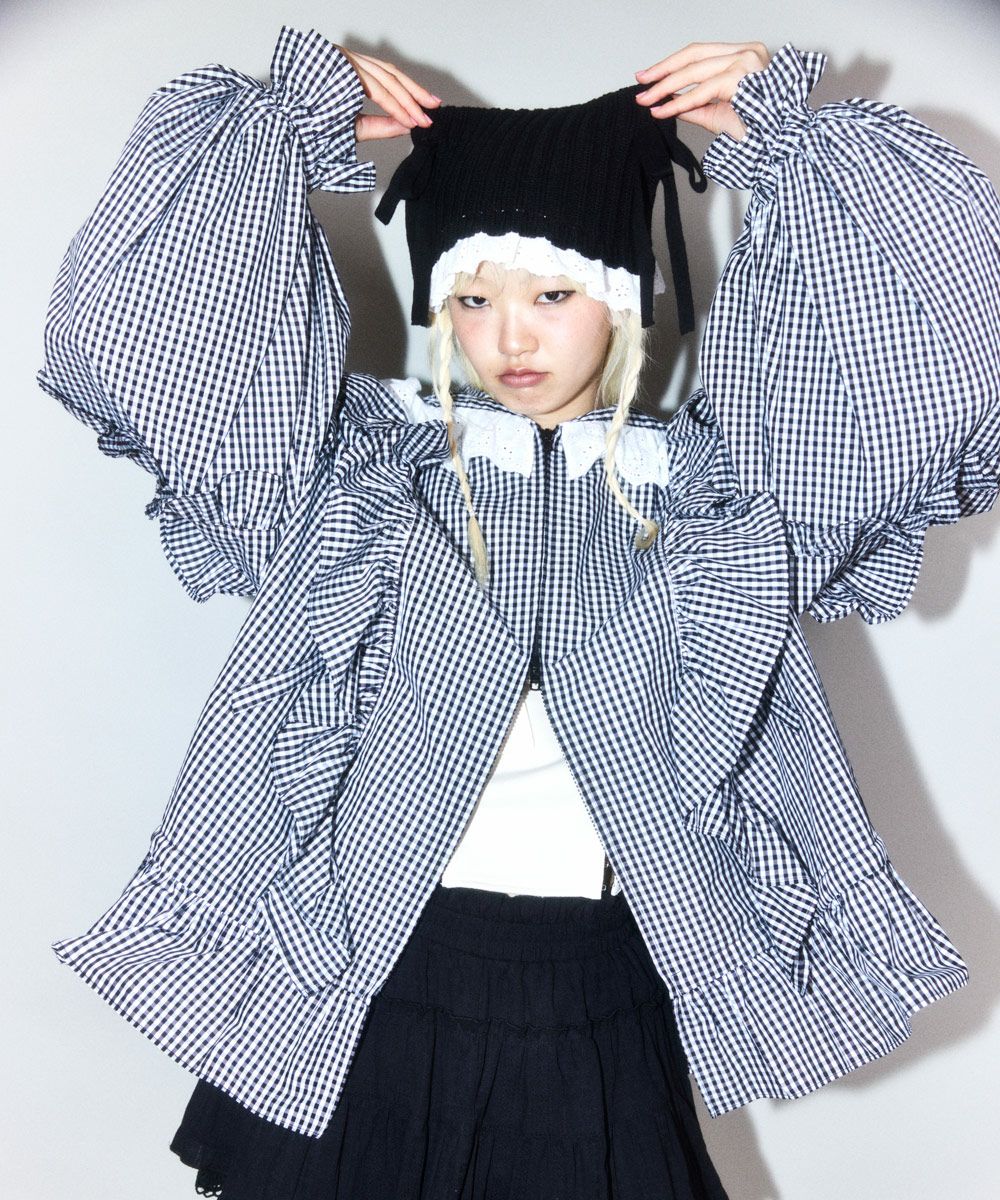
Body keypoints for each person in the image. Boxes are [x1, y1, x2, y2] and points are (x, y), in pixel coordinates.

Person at [36, 25, 998, 1200]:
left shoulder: (713, 500)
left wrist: (805, 151)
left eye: (553, 291)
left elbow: (936, 374)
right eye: (472, 296)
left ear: (625, 298)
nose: (511, 336)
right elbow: (146, 353)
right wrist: (272, 128)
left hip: (598, 988)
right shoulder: (367, 478)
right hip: (370, 981)